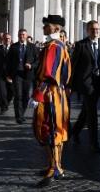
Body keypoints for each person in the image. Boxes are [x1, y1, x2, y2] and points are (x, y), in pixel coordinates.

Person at [32, 14, 72, 187]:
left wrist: (38, 95)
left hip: (50, 93)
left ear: (56, 28)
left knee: (48, 128)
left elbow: (48, 74)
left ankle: (54, 168)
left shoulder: (53, 46)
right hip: (59, 93)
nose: (44, 28)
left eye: (47, 25)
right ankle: (56, 165)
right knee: (57, 129)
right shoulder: (60, 45)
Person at [71, 20, 100, 153]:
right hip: (86, 83)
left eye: (97, 29)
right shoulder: (81, 45)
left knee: (86, 111)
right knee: (92, 113)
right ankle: (94, 143)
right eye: (92, 29)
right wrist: (70, 85)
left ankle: (74, 131)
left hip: (98, 82)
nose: (95, 31)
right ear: (87, 31)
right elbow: (73, 65)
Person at [7, 29, 40, 124]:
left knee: (26, 96)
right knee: (18, 95)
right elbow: (9, 61)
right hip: (17, 74)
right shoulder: (14, 47)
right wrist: (8, 74)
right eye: (20, 34)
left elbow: (37, 61)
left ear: (26, 35)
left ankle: (22, 113)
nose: (22, 36)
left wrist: (31, 66)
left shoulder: (32, 47)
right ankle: (18, 116)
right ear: (18, 36)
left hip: (28, 74)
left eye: (23, 34)